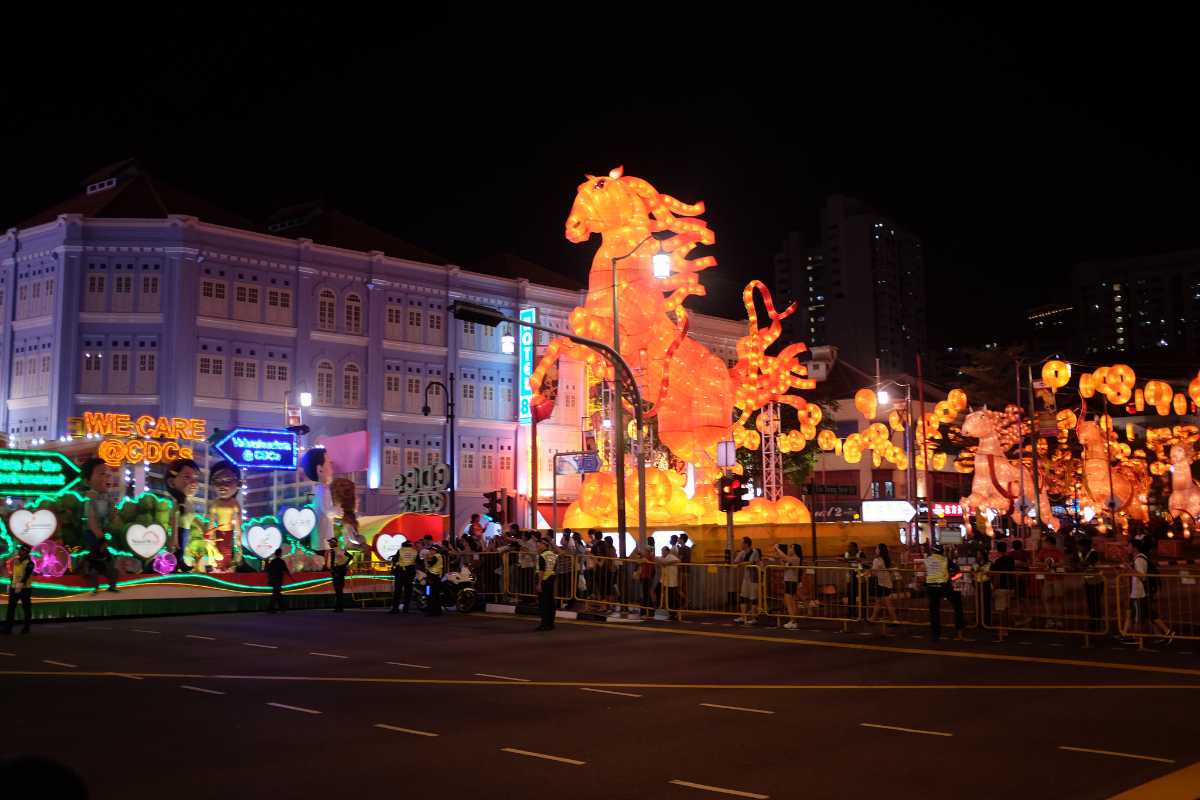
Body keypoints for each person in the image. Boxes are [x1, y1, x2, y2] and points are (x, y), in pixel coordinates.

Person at [1123, 535, 1173, 643]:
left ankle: (1136, 638)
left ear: (1134, 547)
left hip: (1139, 593)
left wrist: (1130, 569)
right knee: (1148, 614)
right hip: (1137, 593)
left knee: (1138, 616)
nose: (1127, 548)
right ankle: (1164, 633)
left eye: (1128, 546)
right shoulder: (1138, 558)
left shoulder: (1139, 560)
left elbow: (1142, 576)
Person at [81, 457, 120, 593]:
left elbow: (113, 518)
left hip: (103, 533)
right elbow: (91, 519)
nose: (107, 477)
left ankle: (109, 584)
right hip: (93, 534)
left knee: (107, 559)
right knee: (98, 557)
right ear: (88, 481)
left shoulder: (107, 499)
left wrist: (115, 510)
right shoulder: (90, 499)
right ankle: (90, 574)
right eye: (102, 474)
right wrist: (99, 535)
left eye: (109, 474)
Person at [164, 457, 202, 572]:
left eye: (196, 478)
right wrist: (174, 537)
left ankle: (180, 563)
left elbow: (193, 518)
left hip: (186, 530)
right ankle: (174, 565)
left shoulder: (189, 502)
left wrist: (203, 528)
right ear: (172, 482)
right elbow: (175, 519)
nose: (193, 482)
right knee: (178, 548)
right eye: (187, 477)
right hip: (180, 530)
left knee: (183, 548)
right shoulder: (177, 502)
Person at [202, 460, 241, 572]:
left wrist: (238, 539)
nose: (222, 485)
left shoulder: (234, 503)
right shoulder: (214, 504)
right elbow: (210, 523)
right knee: (217, 553)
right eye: (217, 481)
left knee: (228, 552)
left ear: (238, 484)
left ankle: (227, 568)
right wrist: (210, 537)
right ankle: (218, 569)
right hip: (218, 533)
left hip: (230, 533)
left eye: (227, 480)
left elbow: (238, 524)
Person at [925, 543, 964, 641]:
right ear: (942, 552)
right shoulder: (945, 560)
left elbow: (923, 572)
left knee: (934, 610)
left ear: (933, 551)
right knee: (957, 604)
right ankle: (960, 629)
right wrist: (952, 578)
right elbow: (958, 572)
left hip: (930, 587)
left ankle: (936, 633)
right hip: (943, 586)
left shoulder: (927, 560)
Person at [300, 448, 336, 554]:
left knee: (332, 550)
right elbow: (326, 510)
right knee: (330, 552)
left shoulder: (321, 489)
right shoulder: (321, 490)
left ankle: (331, 560)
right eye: (329, 464)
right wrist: (336, 510)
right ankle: (328, 564)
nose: (332, 469)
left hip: (326, 532)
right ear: (320, 469)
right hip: (324, 535)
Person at [1075, 536, 1104, 632]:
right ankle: (1093, 620)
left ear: (1084, 546)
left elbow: (1085, 564)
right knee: (1090, 602)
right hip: (1087, 581)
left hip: (1097, 581)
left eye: (1079, 546)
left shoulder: (1093, 553)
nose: (1078, 548)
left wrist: (1078, 566)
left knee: (1095, 602)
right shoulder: (1080, 553)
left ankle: (1097, 621)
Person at [3, 544, 34, 635]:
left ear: (26, 552)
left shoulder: (30, 563)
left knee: (26, 608)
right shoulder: (16, 561)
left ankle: (26, 628)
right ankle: (8, 628)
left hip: (25, 589)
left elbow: (26, 575)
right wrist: (11, 583)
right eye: (20, 550)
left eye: (22, 551)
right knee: (11, 608)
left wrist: (20, 585)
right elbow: (14, 574)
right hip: (14, 587)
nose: (20, 552)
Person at [990, 541, 1016, 638]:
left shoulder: (998, 561)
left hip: (1001, 587)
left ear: (997, 550)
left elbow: (997, 575)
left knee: (1001, 610)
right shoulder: (1011, 559)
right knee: (1006, 609)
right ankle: (1007, 628)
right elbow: (1013, 573)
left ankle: (1002, 630)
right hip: (1009, 587)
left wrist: (994, 588)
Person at [867, 543, 898, 627]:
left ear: (880, 550)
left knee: (887, 602)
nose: (875, 550)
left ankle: (894, 620)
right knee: (878, 602)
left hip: (881, 583)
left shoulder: (877, 560)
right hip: (886, 582)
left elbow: (874, 572)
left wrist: (867, 572)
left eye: (877, 548)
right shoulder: (886, 559)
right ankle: (873, 618)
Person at [734, 537, 761, 625]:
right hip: (746, 578)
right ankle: (743, 616)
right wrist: (739, 557)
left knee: (753, 598)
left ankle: (754, 618)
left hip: (754, 578)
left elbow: (750, 562)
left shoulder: (754, 551)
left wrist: (740, 563)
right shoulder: (742, 552)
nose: (740, 544)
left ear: (746, 544)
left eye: (741, 543)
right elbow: (735, 561)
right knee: (743, 596)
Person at [534, 537, 558, 631]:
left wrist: (539, 583)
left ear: (544, 545)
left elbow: (541, 570)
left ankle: (544, 624)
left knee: (544, 604)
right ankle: (550, 623)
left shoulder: (543, 555)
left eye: (539, 544)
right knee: (550, 603)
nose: (537, 546)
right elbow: (554, 568)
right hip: (551, 579)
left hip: (544, 580)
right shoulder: (552, 554)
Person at [390, 541, 418, 613]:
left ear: (403, 546)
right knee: (408, 591)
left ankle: (395, 608)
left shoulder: (400, 551)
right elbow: (418, 561)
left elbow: (395, 560)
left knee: (398, 591)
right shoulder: (415, 551)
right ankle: (406, 609)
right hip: (410, 574)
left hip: (400, 573)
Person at [326, 536, 352, 612]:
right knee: (338, 590)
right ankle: (338, 606)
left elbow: (350, 556)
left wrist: (342, 566)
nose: (329, 544)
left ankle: (339, 607)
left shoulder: (337, 550)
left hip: (338, 571)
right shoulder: (336, 550)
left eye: (331, 542)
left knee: (338, 590)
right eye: (329, 542)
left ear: (334, 543)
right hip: (337, 571)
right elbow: (350, 557)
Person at [657, 545, 681, 620]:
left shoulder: (671, 556)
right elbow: (659, 561)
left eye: (663, 551)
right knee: (658, 591)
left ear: (667, 551)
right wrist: (663, 562)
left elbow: (678, 560)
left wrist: (667, 563)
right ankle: (662, 608)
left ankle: (673, 613)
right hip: (664, 580)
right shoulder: (662, 558)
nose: (662, 552)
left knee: (672, 597)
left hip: (671, 581)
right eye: (661, 551)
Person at [422, 543, 445, 616]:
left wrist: (426, 559)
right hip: (435, 578)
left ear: (435, 550)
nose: (430, 551)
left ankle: (431, 611)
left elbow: (430, 564)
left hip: (432, 579)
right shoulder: (439, 556)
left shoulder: (435, 557)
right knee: (435, 595)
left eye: (432, 550)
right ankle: (437, 611)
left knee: (429, 594)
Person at [637, 537, 657, 618]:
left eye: (645, 551)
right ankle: (649, 612)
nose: (644, 552)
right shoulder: (650, 555)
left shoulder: (648, 557)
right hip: (647, 576)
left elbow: (639, 561)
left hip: (647, 576)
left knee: (646, 594)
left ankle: (645, 612)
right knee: (647, 594)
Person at [266, 548, 289, 612]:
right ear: (280, 554)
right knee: (276, 594)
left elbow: (268, 570)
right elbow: (286, 570)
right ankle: (272, 608)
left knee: (277, 594)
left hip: (273, 580)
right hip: (278, 580)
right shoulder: (281, 561)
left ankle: (281, 607)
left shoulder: (273, 561)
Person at [843, 541, 862, 613]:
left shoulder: (860, 553)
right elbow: (844, 559)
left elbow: (861, 560)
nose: (849, 548)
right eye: (849, 547)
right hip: (850, 573)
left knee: (858, 591)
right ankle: (851, 609)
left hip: (858, 573)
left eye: (850, 547)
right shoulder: (847, 553)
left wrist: (851, 559)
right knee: (850, 592)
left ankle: (860, 610)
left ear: (855, 548)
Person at [677, 533, 693, 608]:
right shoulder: (688, 548)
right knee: (684, 589)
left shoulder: (681, 549)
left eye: (679, 538)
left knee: (679, 589)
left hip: (682, 571)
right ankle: (686, 604)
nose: (678, 539)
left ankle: (687, 600)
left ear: (682, 540)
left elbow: (679, 560)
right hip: (687, 571)